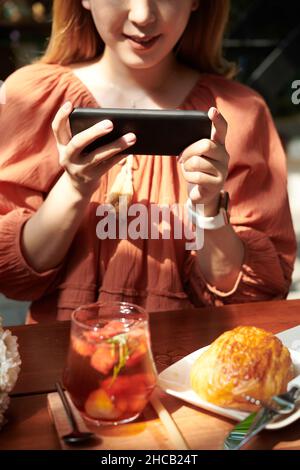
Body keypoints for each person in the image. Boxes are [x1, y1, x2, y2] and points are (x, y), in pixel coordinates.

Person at [0, 0, 296, 323]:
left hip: (189, 370)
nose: (143, 16)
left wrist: (210, 211)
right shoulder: (34, 98)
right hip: (63, 367)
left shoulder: (240, 113)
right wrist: (74, 186)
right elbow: (14, 276)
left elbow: (256, 296)